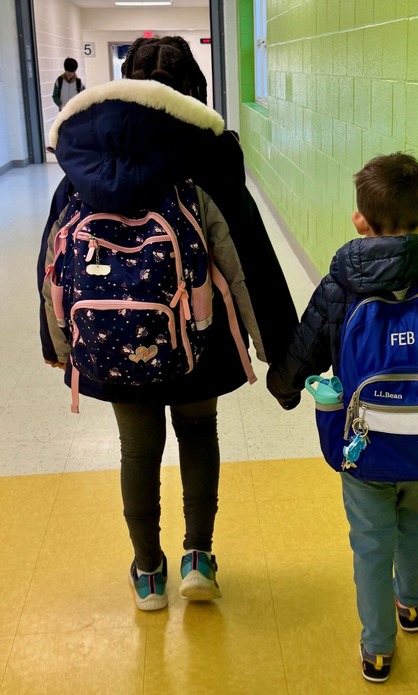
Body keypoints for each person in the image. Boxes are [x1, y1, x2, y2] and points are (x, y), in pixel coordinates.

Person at [39, 36, 298, 611]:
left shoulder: (84, 160)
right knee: (198, 434)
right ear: (196, 92)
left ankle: (148, 570)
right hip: (197, 339)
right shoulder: (208, 157)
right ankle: (198, 557)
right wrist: (278, 344)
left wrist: (55, 343)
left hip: (107, 340)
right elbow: (248, 253)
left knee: (137, 450)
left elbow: (53, 257)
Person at [267, 152, 418, 682]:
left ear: (359, 219)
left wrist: (284, 388)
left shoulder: (340, 288)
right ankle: (412, 605)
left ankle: (378, 648)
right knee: (416, 518)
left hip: (364, 449)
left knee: (371, 542)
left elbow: (304, 350)